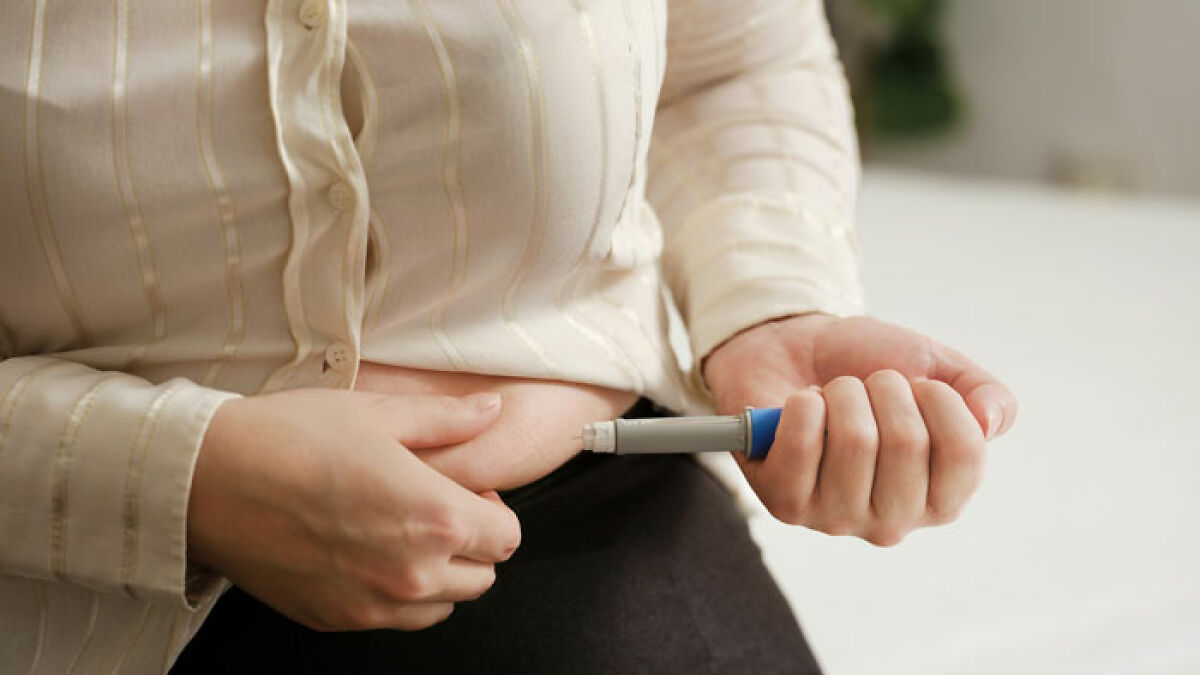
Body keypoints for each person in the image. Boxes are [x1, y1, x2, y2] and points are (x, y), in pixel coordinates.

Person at [0, 0, 1016, 673]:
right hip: (67, 593)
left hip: (585, 536)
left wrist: (773, 304)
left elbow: (730, 64)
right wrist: (177, 479)